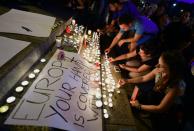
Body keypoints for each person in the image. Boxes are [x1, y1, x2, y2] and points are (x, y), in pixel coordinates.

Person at [119, 51, 186, 131]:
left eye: (161, 65)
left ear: (171, 70)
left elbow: (160, 108)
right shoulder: (159, 70)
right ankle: (148, 113)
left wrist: (139, 106)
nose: (156, 66)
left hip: (168, 112)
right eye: (158, 62)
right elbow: (143, 78)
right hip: (158, 97)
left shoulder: (176, 87)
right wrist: (127, 81)